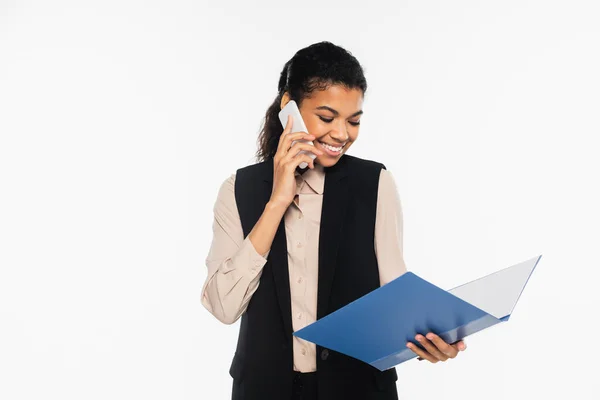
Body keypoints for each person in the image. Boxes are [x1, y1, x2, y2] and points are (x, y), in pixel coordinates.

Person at [201, 41, 467, 400]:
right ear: (288, 108)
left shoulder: (375, 184)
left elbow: (394, 289)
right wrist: (278, 201)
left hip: (357, 388)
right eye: (327, 118)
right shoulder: (239, 189)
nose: (342, 134)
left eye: (353, 121)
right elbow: (223, 306)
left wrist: (431, 339)